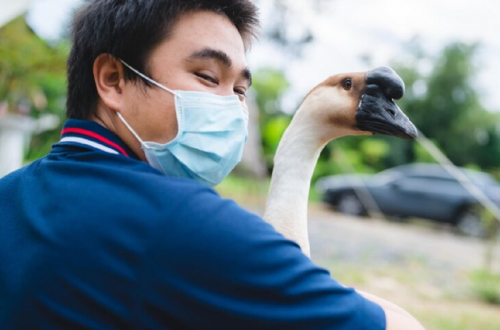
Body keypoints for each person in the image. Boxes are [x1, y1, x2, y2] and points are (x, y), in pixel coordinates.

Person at [0, 0, 425, 329]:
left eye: (239, 90)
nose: (229, 107)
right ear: (113, 80)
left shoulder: (9, 193)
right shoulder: (185, 224)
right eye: (207, 77)